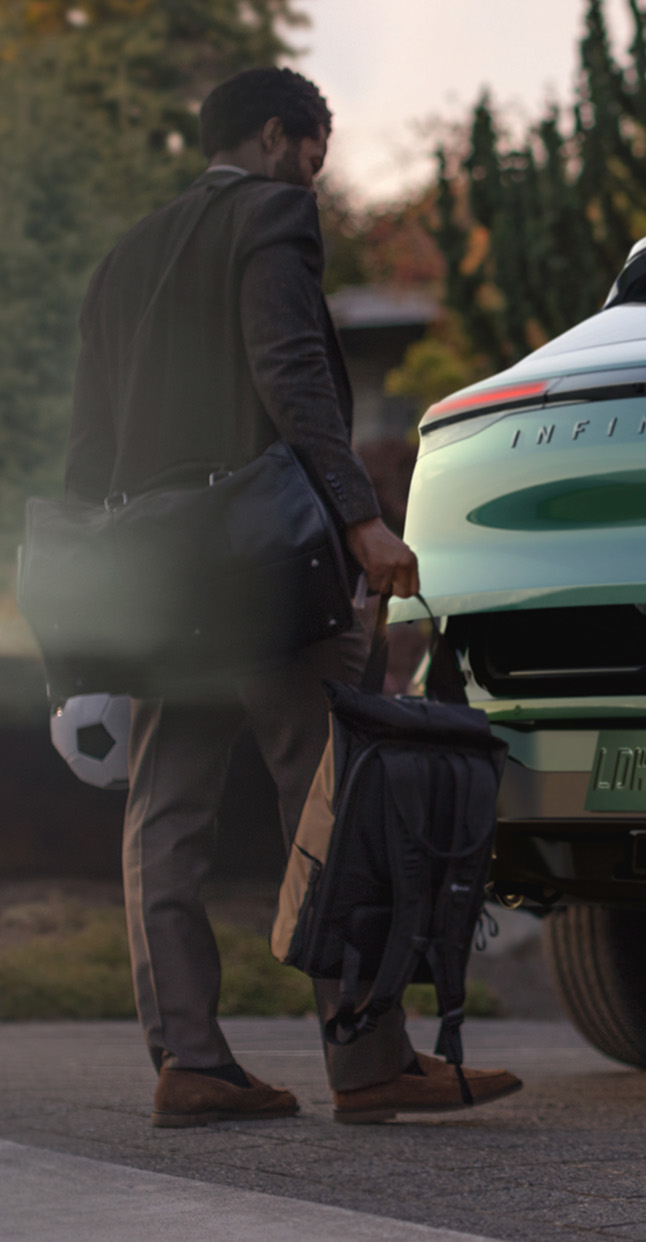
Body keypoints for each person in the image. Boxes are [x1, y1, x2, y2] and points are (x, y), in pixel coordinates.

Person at [64, 67, 521, 1127]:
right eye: (316, 150)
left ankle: (190, 1062)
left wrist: (91, 606)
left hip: (157, 579)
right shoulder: (274, 215)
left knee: (163, 815)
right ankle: (367, 1063)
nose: (318, 172)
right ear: (280, 136)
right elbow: (290, 372)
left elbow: (89, 443)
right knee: (333, 798)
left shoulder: (125, 256)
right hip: (262, 571)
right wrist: (363, 518)